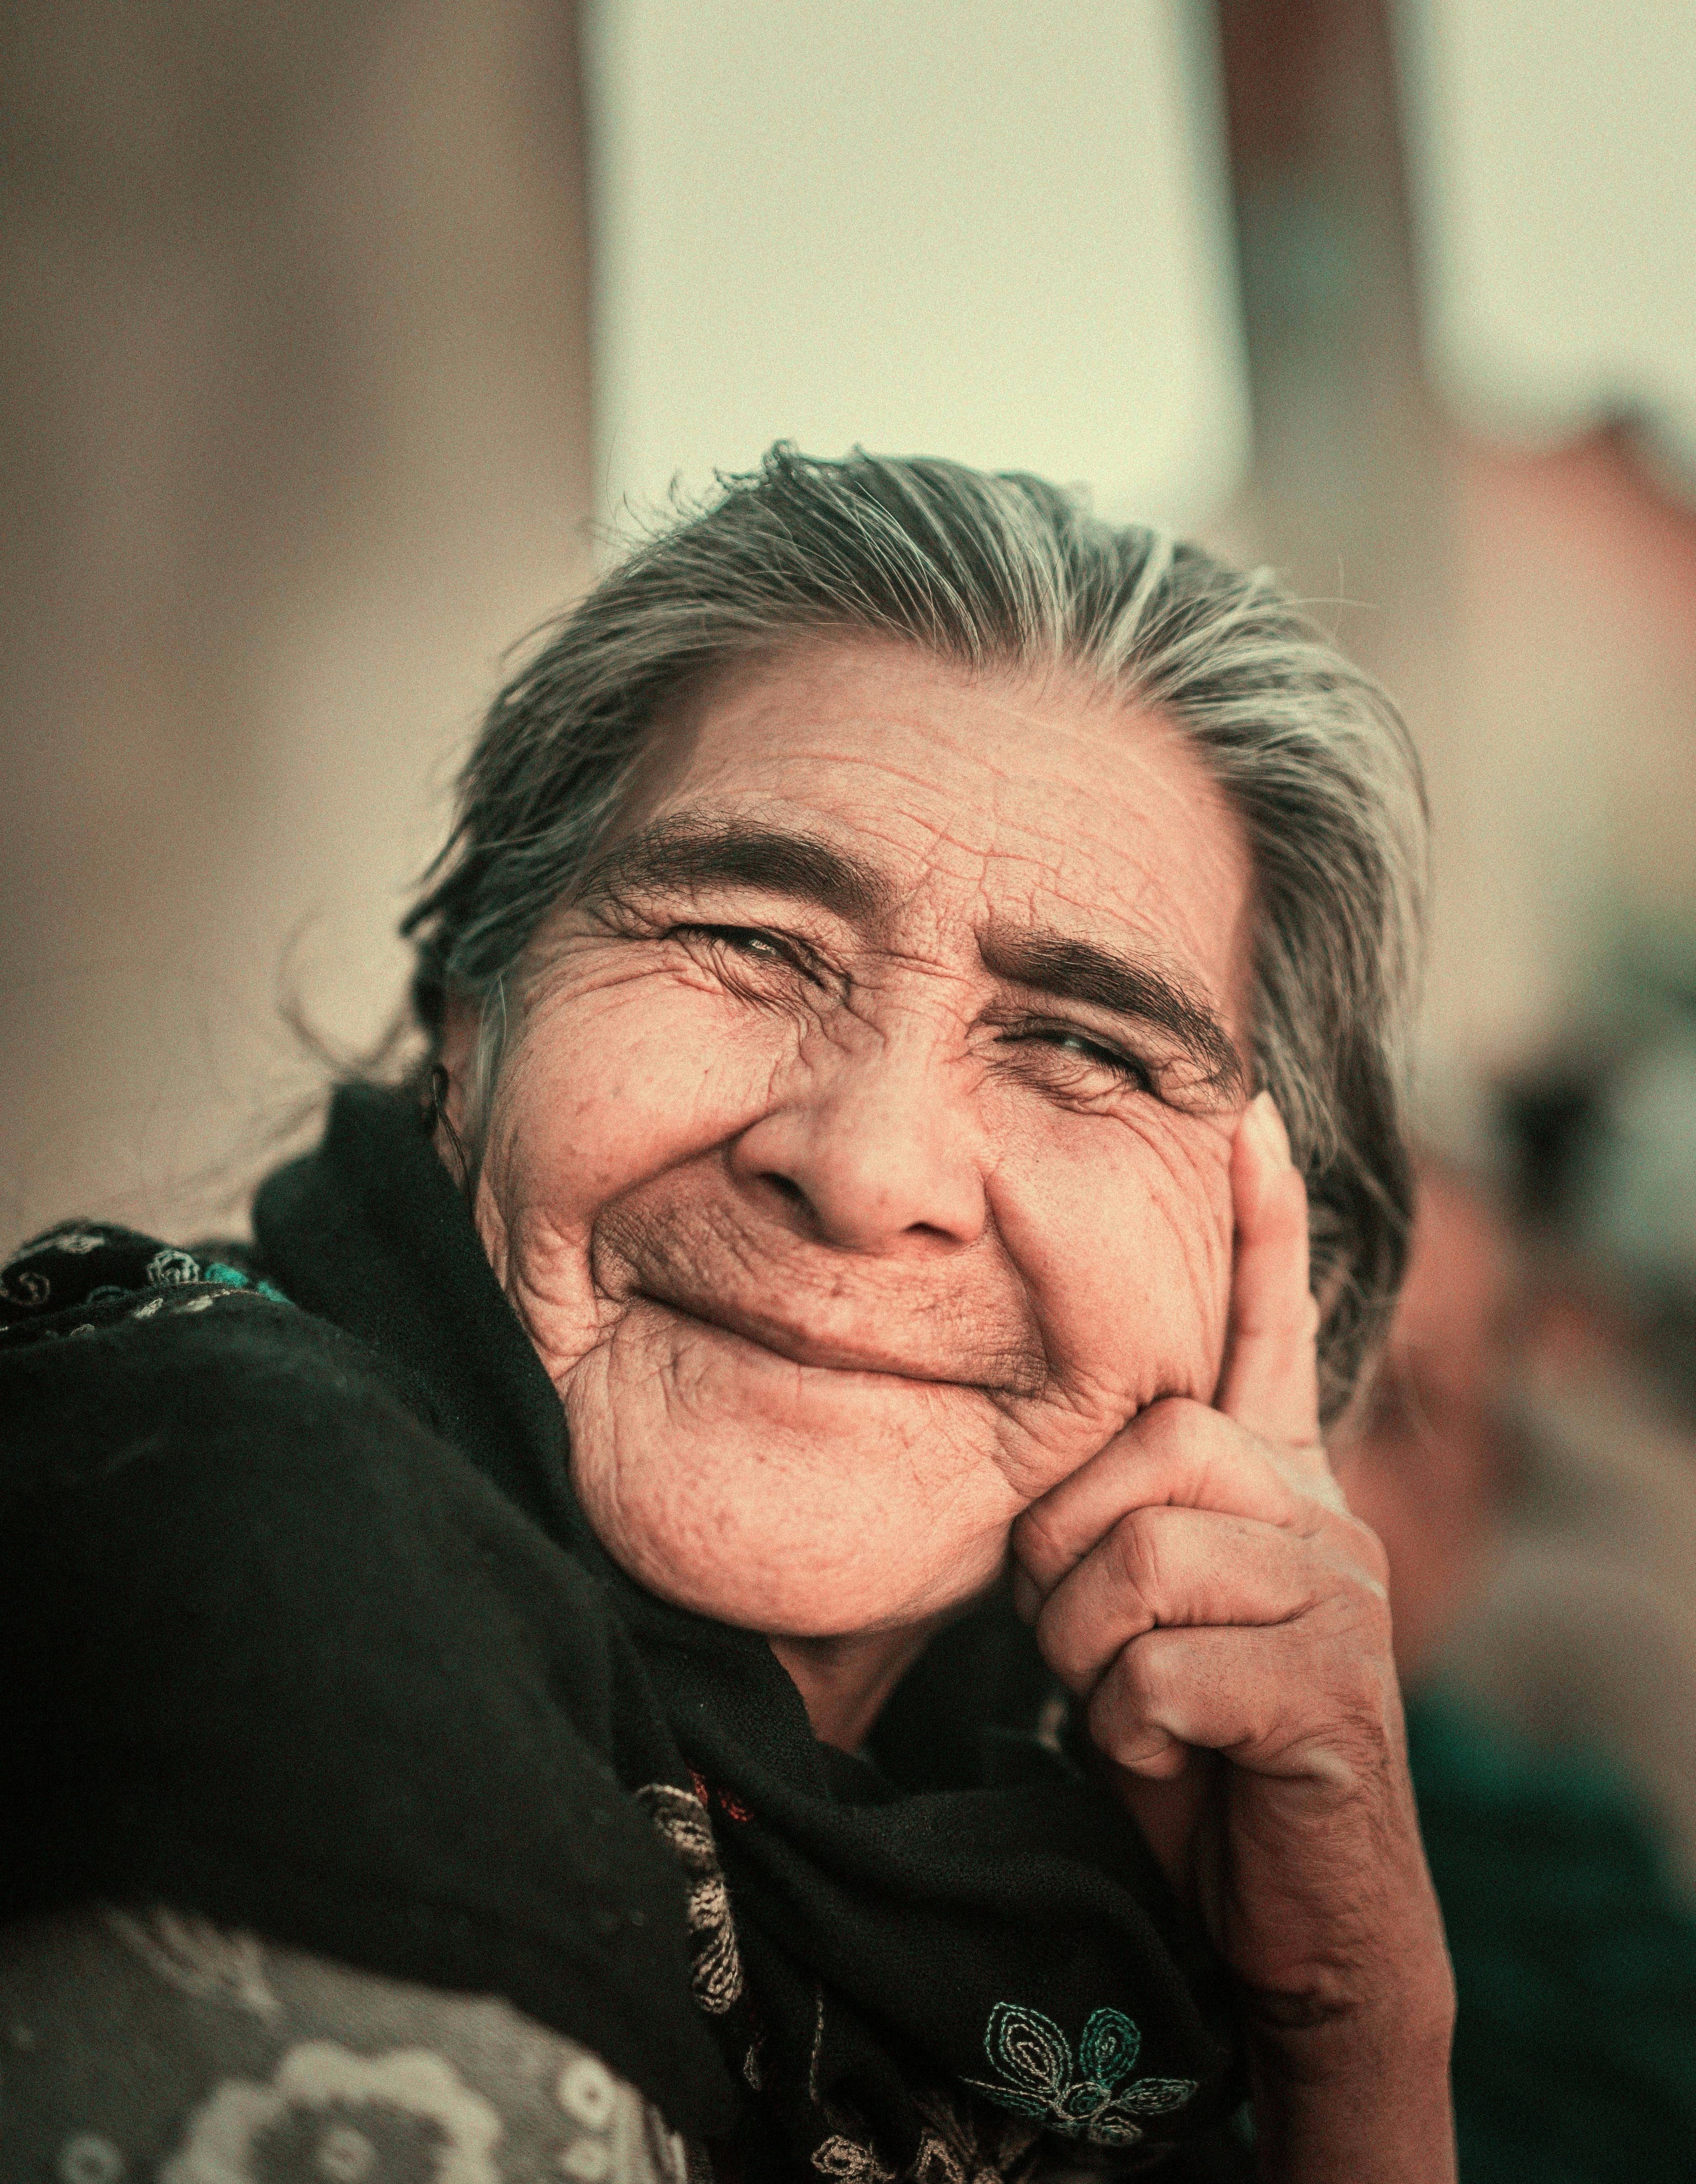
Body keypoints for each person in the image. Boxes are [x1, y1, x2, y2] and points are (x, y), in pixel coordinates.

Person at [0, 448, 1448, 2183]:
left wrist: (1356, 2032)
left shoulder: (1029, 1839)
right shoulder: (245, 1535)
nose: (866, 1168)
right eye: (749, 940)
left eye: (1079, 1047)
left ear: (1265, 1257)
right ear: (474, 1018)